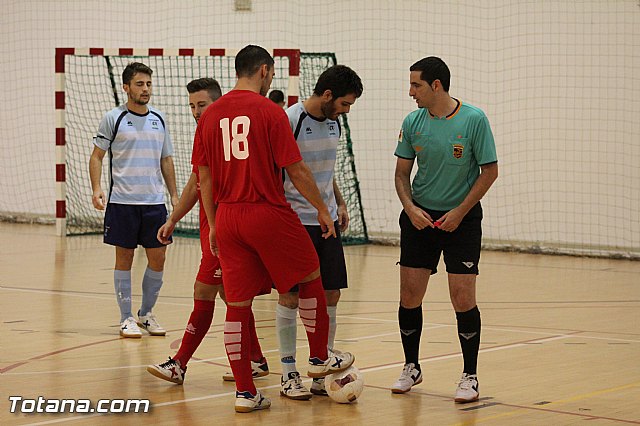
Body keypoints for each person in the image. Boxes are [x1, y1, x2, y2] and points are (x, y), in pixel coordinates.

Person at [193, 45, 355, 413]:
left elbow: (203, 175)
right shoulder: (272, 112)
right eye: (272, 74)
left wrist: (214, 224)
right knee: (311, 274)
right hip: (266, 210)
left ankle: (246, 393)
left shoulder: (210, 115)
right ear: (264, 71)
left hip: (229, 217)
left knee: (236, 305)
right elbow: (295, 170)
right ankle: (317, 358)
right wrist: (322, 209)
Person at [146, 78, 269, 384]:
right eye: (191, 106)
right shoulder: (204, 133)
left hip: (223, 231)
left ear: (218, 103)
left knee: (204, 292)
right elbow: (195, 184)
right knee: (231, 295)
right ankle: (257, 360)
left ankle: (179, 363)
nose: (196, 112)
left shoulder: (227, 135)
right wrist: (173, 218)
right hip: (209, 229)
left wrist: (217, 227)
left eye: (202, 105)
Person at [391, 56, 498, 403]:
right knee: (410, 295)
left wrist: (459, 212)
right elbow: (401, 175)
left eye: (416, 85)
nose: (410, 92)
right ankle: (411, 366)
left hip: (462, 221)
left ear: (436, 85)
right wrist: (410, 208)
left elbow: (490, 172)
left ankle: (470, 375)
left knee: (462, 297)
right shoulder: (412, 122)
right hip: (419, 218)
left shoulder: (474, 119)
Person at [278, 65, 363, 400]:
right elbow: (283, 170)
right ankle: (288, 374)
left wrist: (338, 202)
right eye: (344, 104)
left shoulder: (334, 122)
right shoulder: (290, 120)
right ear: (327, 95)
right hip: (295, 220)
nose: (346, 111)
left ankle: (321, 366)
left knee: (331, 293)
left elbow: (323, 171)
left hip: (325, 221)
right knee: (291, 296)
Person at [89, 62, 178, 338]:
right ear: (126, 87)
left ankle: (146, 314)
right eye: (140, 84)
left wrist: (174, 194)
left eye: (149, 84)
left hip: (154, 204)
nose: (146, 89)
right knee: (124, 258)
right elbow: (97, 156)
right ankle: (125, 317)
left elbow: (166, 159)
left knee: (158, 258)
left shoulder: (159, 119)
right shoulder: (112, 118)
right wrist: (96, 188)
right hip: (122, 203)